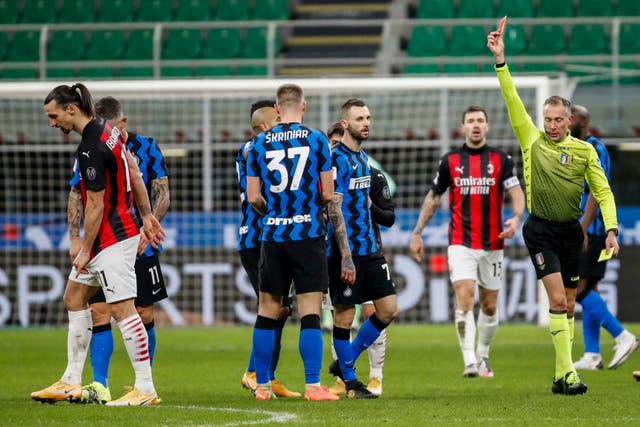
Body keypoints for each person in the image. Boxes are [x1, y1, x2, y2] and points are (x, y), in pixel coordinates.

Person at [487, 30, 620, 395]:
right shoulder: (531, 139)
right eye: (547, 119)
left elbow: (603, 190)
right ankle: (568, 374)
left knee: (572, 302)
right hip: (540, 230)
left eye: (558, 120)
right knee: (558, 300)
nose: (552, 125)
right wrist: (500, 61)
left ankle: (562, 375)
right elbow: (512, 98)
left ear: (569, 120)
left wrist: (611, 228)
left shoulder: (584, 152)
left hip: (570, 233)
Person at [31, 83, 164, 405]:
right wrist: (146, 215)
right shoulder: (109, 130)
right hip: (118, 232)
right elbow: (134, 172)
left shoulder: (91, 146)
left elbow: (95, 204)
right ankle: (70, 380)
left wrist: (84, 248)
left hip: (113, 239)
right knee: (74, 297)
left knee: (123, 310)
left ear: (71, 110)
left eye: (54, 116)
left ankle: (145, 388)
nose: (52, 123)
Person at [65, 97, 171, 404]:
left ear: (122, 123)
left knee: (143, 310)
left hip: (137, 238)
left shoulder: (147, 147)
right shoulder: (92, 145)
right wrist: (75, 237)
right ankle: (99, 385)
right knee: (99, 310)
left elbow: (161, 193)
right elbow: (76, 192)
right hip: (106, 239)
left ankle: (143, 382)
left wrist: (148, 225)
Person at [410, 106, 525, 378]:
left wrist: (516, 218)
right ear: (462, 127)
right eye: (470, 121)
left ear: (487, 126)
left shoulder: (501, 159)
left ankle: (484, 355)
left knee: (489, 305)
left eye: (480, 121)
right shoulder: (450, 161)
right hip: (461, 241)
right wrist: (417, 232)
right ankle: (469, 360)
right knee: (465, 297)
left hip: (493, 243)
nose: (476, 125)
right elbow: (433, 197)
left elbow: (516, 192)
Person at [246, 83, 337, 401]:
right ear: (304, 106)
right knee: (310, 309)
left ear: (276, 106)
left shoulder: (256, 145)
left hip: (272, 236)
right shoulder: (317, 140)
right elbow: (327, 193)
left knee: (267, 309)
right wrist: (306, 208)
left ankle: (262, 386)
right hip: (307, 234)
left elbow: (253, 197)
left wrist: (272, 212)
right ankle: (313, 385)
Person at [327, 99, 398, 399]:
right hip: (345, 254)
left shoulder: (364, 160)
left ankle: (346, 360)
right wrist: (346, 257)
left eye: (368, 117)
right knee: (344, 317)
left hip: (370, 250)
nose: (366, 122)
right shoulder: (335, 159)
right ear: (345, 124)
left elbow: (381, 212)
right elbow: (334, 209)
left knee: (388, 309)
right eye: (359, 118)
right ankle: (352, 383)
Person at [238, 100, 299, 398]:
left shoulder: (264, 147)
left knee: (283, 308)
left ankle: (267, 375)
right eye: (277, 121)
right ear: (264, 126)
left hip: (273, 236)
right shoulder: (255, 149)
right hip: (257, 237)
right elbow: (258, 196)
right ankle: (255, 372)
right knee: (271, 308)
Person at [570, 105, 638, 371]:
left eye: (571, 118)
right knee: (591, 288)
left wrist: (584, 229)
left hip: (594, 231)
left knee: (577, 289)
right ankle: (592, 354)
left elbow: (598, 191)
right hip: (588, 229)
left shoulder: (594, 148)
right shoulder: (572, 145)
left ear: (583, 121)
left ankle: (623, 336)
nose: (566, 122)